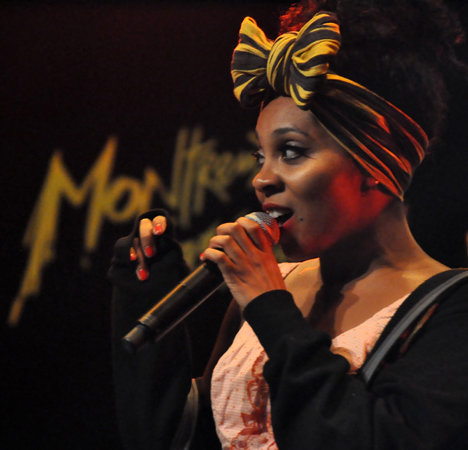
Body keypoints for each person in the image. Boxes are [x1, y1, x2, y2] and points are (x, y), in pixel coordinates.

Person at [109, 1, 468, 449]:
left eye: (292, 151)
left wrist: (269, 307)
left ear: (377, 162)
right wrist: (145, 286)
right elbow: (176, 439)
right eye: (261, 156)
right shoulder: (272, 286)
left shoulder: (451, 309)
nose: (262, 179)